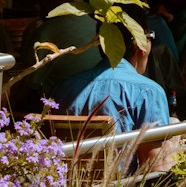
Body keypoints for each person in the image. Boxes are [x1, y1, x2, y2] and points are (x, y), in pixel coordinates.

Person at [51, 8, 169, 136]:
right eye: (149, 36)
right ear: (141, 45)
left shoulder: (63, 88)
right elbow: (154, 156)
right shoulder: (148, 92)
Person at [15, 0, 102, 110]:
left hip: (58, 119)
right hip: (97, 112)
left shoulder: (44, 33)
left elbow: (25, 89)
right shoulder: (100, 28)